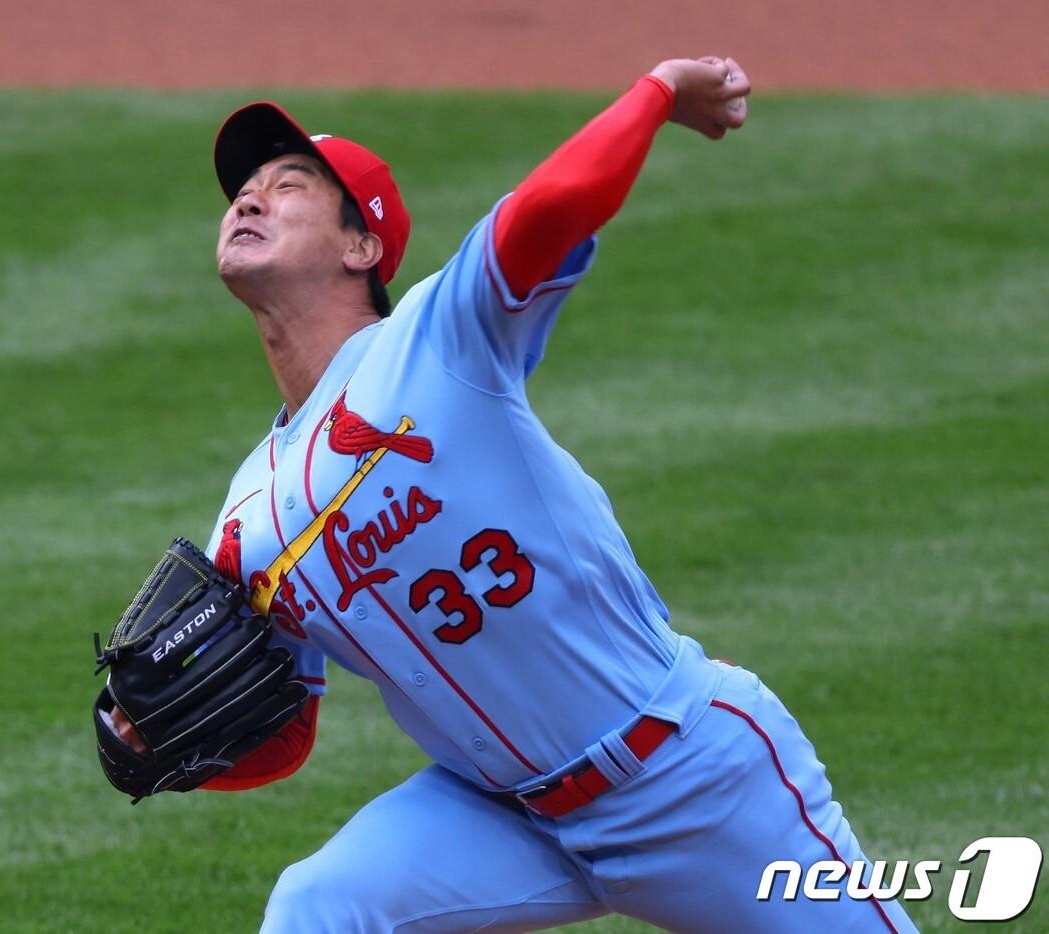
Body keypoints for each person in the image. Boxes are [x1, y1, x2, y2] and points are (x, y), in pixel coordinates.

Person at [128, 56, 918, 932]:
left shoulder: (437, 338)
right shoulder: (247, 516)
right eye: (243, 189)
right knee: (322, 904)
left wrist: (654, 94)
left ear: (362, 246)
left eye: (288, 185)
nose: (247, 198)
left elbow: (550, 209)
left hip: (690, 778)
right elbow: (283, 728)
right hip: (504, 816)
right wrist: (162, 743)